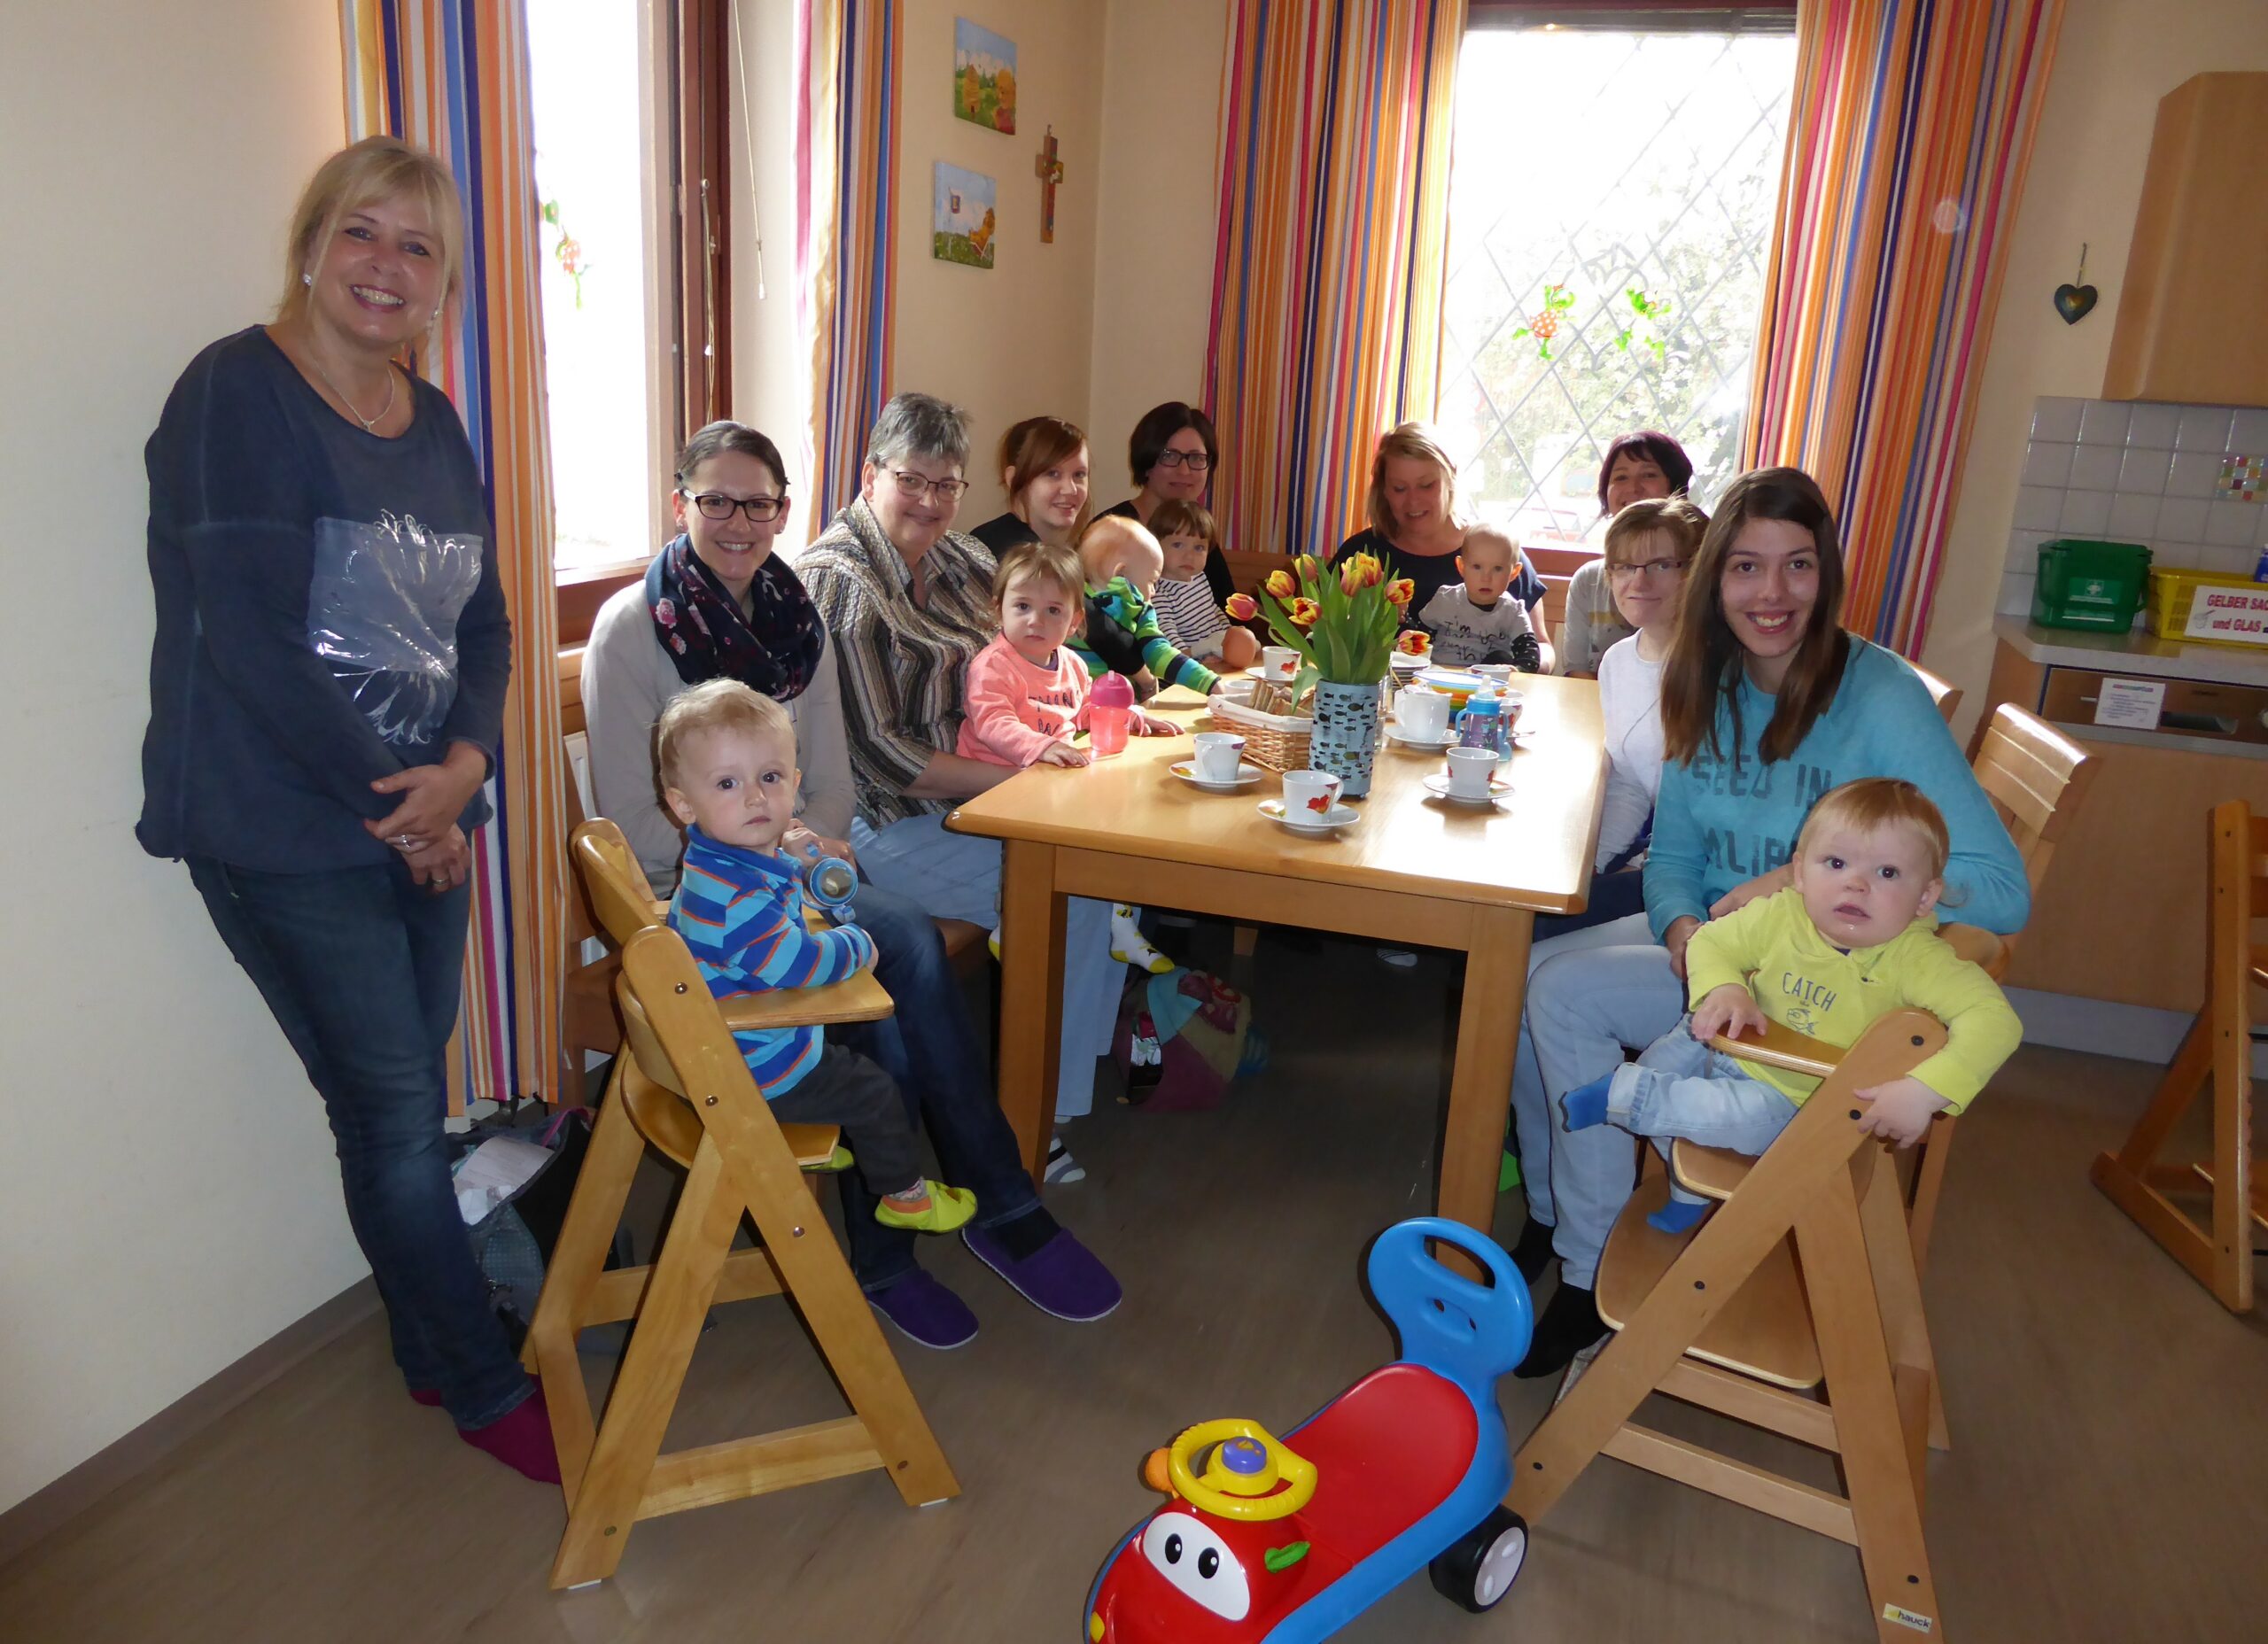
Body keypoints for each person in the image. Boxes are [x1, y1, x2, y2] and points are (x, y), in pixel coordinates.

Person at [137, 136, 555, 1481]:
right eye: (363, 234)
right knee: (389, 1110)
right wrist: (414, 809)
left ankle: (429, 1351)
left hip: (424, 817)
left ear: (442, 286)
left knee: (392, 1101)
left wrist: (468, 773)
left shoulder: (431, 422)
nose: (387, 267)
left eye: (418, 247)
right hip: (284, 829)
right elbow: (248, 645)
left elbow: (485, 623)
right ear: (312, 244)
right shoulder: (234, 394)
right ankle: (483, 1384)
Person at [582, 418, 1121, 1350]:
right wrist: (764, 851)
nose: (740, 521)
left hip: (793, 862)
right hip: (699, 899)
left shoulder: (795, 617)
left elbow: (830, 775)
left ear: (784, 510)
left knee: (893, 958)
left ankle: (930, 1221)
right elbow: (633, 822)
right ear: (682, 504)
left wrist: (800, 845)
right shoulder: (634, 629)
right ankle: (945, 1223)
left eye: (759, 502)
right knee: (901, 946)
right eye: (717, 500)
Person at [1508, 466, 2030, 1377]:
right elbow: (1672, 860)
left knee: (1557, 992)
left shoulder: (1877, 695)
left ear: (1826, 572)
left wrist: (1802, 876)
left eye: (1796, 565)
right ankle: (1561, 1220)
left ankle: (1587, 1270)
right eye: (1745, 567)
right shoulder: (1703, 681)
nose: (1772, 593)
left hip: (1819, 990)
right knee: (1529, 978)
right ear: (1713, 579)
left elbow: (2000, 886)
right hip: (1723, 951)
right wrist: (1685, 940)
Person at [797, 392, 1133, 1189]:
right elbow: (884, 755)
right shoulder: (841, 581)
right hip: (884, 823)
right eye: (914, 481)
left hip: (980, 794)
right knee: (1080, 892)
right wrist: (1029, 770)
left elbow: (1028, 656)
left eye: (948, 487)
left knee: (1108, 872)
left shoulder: (959, 561)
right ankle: (1033, 1113)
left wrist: (1077, 719)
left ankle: (1049, 1085)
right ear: (872, 473)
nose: (930, 503)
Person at [1560, 777, 2023, 1235]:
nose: (1856, 885)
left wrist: (1926, 1089)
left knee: (1703, 1111)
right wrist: (1725, 988)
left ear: (1925, 897)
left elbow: (1996, 1022)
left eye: (1887, 873)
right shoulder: (1783, 913)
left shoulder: (1917, 961)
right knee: (1667, 1066)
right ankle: (1688, 1191)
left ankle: (1622, 1096)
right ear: (1800, 873)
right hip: (1724, 1046)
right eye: (1837, 863)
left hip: (1798, 1099)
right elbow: (1712, 942)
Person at [659, 681, 976, 1233]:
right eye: (728, 783)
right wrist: (856, 944)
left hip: (730, 1045)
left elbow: (777, 927)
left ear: (794, 785)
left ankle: (818, 1129)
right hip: (755, 1071)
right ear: (683, 803)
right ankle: (904, 1197)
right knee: (875, 1089)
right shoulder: (736, 896)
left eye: (771, 778)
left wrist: (803, 873)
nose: (756, 798)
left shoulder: (724, 863)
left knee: (851, 1052)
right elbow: (801, 965)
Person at [958, 541, 1178, 973]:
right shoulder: (993, 666)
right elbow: (992, 723)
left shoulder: (1073, 666)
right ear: (997, 609)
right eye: (1022, 606)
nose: (1035, 621)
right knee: (1028, 853)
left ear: (1076, 622)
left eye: (1053, 611)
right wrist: (1040, 747)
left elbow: (1081, 712)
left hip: (1052, 784)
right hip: (999, 790)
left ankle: (1122, 925)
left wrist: (1127, 716)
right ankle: (1012, 919)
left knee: (1119, 834)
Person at [1534, 496, 1712, 942]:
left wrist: (1638, 868)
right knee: (1524, 915)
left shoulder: (1718, 670)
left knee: (1526, 947)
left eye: (1660, 564)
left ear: (1698, 570)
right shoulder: (1617, 662)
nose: (1638, 580)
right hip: (1651, 859)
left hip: (1700, 879)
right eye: (1623, 566)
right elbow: (1631, 782)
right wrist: (1590, 864)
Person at [1337, 422, 1553, 671]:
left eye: (1427, 485)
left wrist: (1522, 671)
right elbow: (1327, 638)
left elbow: (1542, 646)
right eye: (1399, 488)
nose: (1413, 500)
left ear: (1451, 477)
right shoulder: (1362, 555)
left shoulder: (1494, 549)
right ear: (1383, 490)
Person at [1557, 430, 1694, 678]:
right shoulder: (1588, 580)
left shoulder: (1696, 571)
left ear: (1677, 489)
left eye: (1649, 474)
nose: (1633, 487)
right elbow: (1575, 668)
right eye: (1620, 477)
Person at [1099, 400, 1239, 613]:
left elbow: (1228, 614)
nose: (1184, 471)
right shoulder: (1111, 531)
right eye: (1170, 456)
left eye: (1196, 458)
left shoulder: (1198, 534)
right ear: (1146, 463)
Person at [1072, 515, 1220, 697]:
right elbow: (1159, 655)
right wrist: (1212, 684)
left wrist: (1207, 681)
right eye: (1152, 581)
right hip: (1072, 699)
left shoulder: (1141, 612)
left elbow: (1160, 652)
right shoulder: (1072, 600)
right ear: (1121, 574)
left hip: (1111, 703)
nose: (1154, 591)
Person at [1147, 500, 1260, 672]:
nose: (1189, 555)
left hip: (1216, 655)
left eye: (1199, 548)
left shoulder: (1199, 578)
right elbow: (1170, 646)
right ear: (1154, 546)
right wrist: (1197, 654)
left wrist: (1230, 632)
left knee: (1250, 645)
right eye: (1178, 545)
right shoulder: (1160, 594)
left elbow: (1213, 610)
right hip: (1188, 667)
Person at [1414, 524, 1541, 671]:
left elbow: (1530, 654)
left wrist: (1518, 670)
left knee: (1502, 657)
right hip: (1439, 674)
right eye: (1477, 567)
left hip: (1485, 685)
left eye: (1497, 568)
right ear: (1461, 567)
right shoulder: (1445, 599)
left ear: (1514, 572)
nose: (1486, 578)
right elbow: (1419, 636)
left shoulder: (1513, 612)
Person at [967, 415, 1091, 555]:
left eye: (1079, 475)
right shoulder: (1022, 563)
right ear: (1013, 479)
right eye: (1052, 474)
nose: (1071, 489)